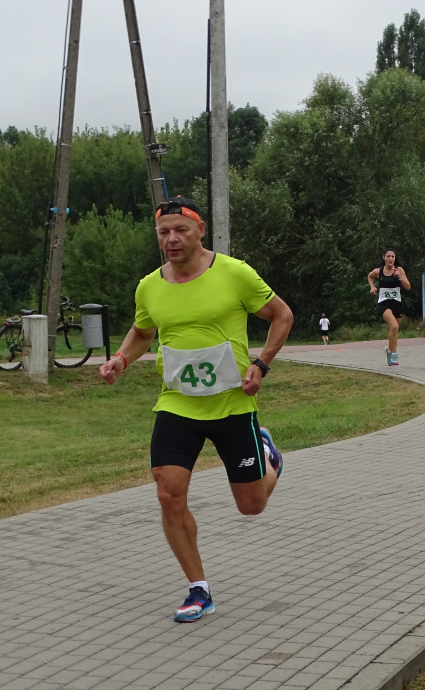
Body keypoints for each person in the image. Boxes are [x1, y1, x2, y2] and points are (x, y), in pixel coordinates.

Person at [98, 196, 293, 623]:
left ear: (199, 230)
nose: (171, 239)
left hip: (232, 403)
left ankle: (269, 458)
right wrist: (121, 360)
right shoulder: (149, 286)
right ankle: (198, 588)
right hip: (178, 403)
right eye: (163, 232)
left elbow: (282, 315)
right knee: (168, 492)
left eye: (180, 230)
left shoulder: (234, 274)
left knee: (252, 506)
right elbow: (143, 331)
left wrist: (261, 364)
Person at [367, 247, 412, 366]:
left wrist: (400, 277)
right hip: (384, 303)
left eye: (393, 256)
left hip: (397, 302)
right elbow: (370, 276)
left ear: (395, 258)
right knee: (394, 326)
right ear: (384, 258)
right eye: (388, 256)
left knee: (394, 330)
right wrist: (372, 287)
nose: (390, 259)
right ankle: (394, 355)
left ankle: (389, 351)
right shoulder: (379, 271)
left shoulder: (399, 270)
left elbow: (408, 287)